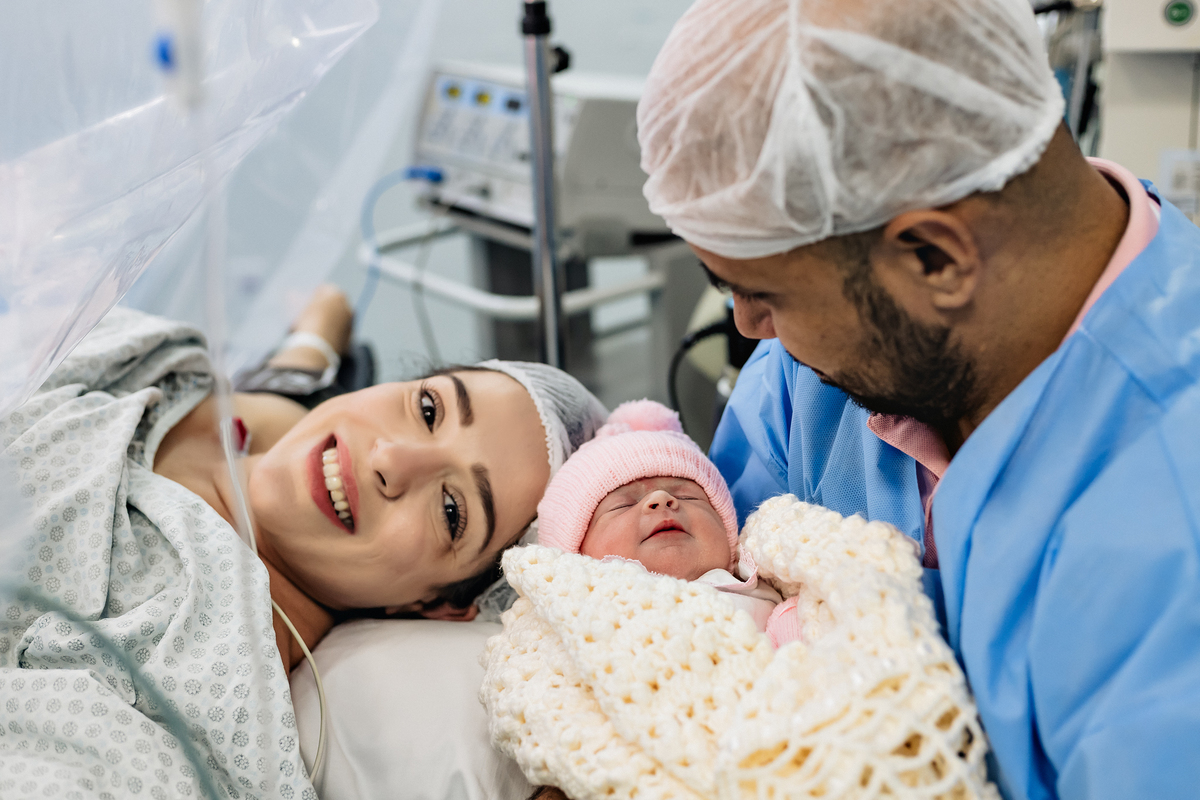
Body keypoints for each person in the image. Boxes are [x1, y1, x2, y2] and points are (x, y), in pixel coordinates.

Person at [636, 1, 1200, 798]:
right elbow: (695, 617)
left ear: (935, 257)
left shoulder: (1171, 540)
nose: (748, 326)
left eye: (761, 292)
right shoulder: (813, 373)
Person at [0, 288, 607, 798]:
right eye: (428, 408)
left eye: (452, 510)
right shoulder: (185, 371)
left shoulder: (207, 696)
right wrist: (321, 326)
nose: (391, 458)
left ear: (436, 605)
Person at [535, 399, 800, 645]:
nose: (662, 499)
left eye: (688, 496)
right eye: (623, 504)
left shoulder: (766, 593)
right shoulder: (579, 626)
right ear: (575, 557)